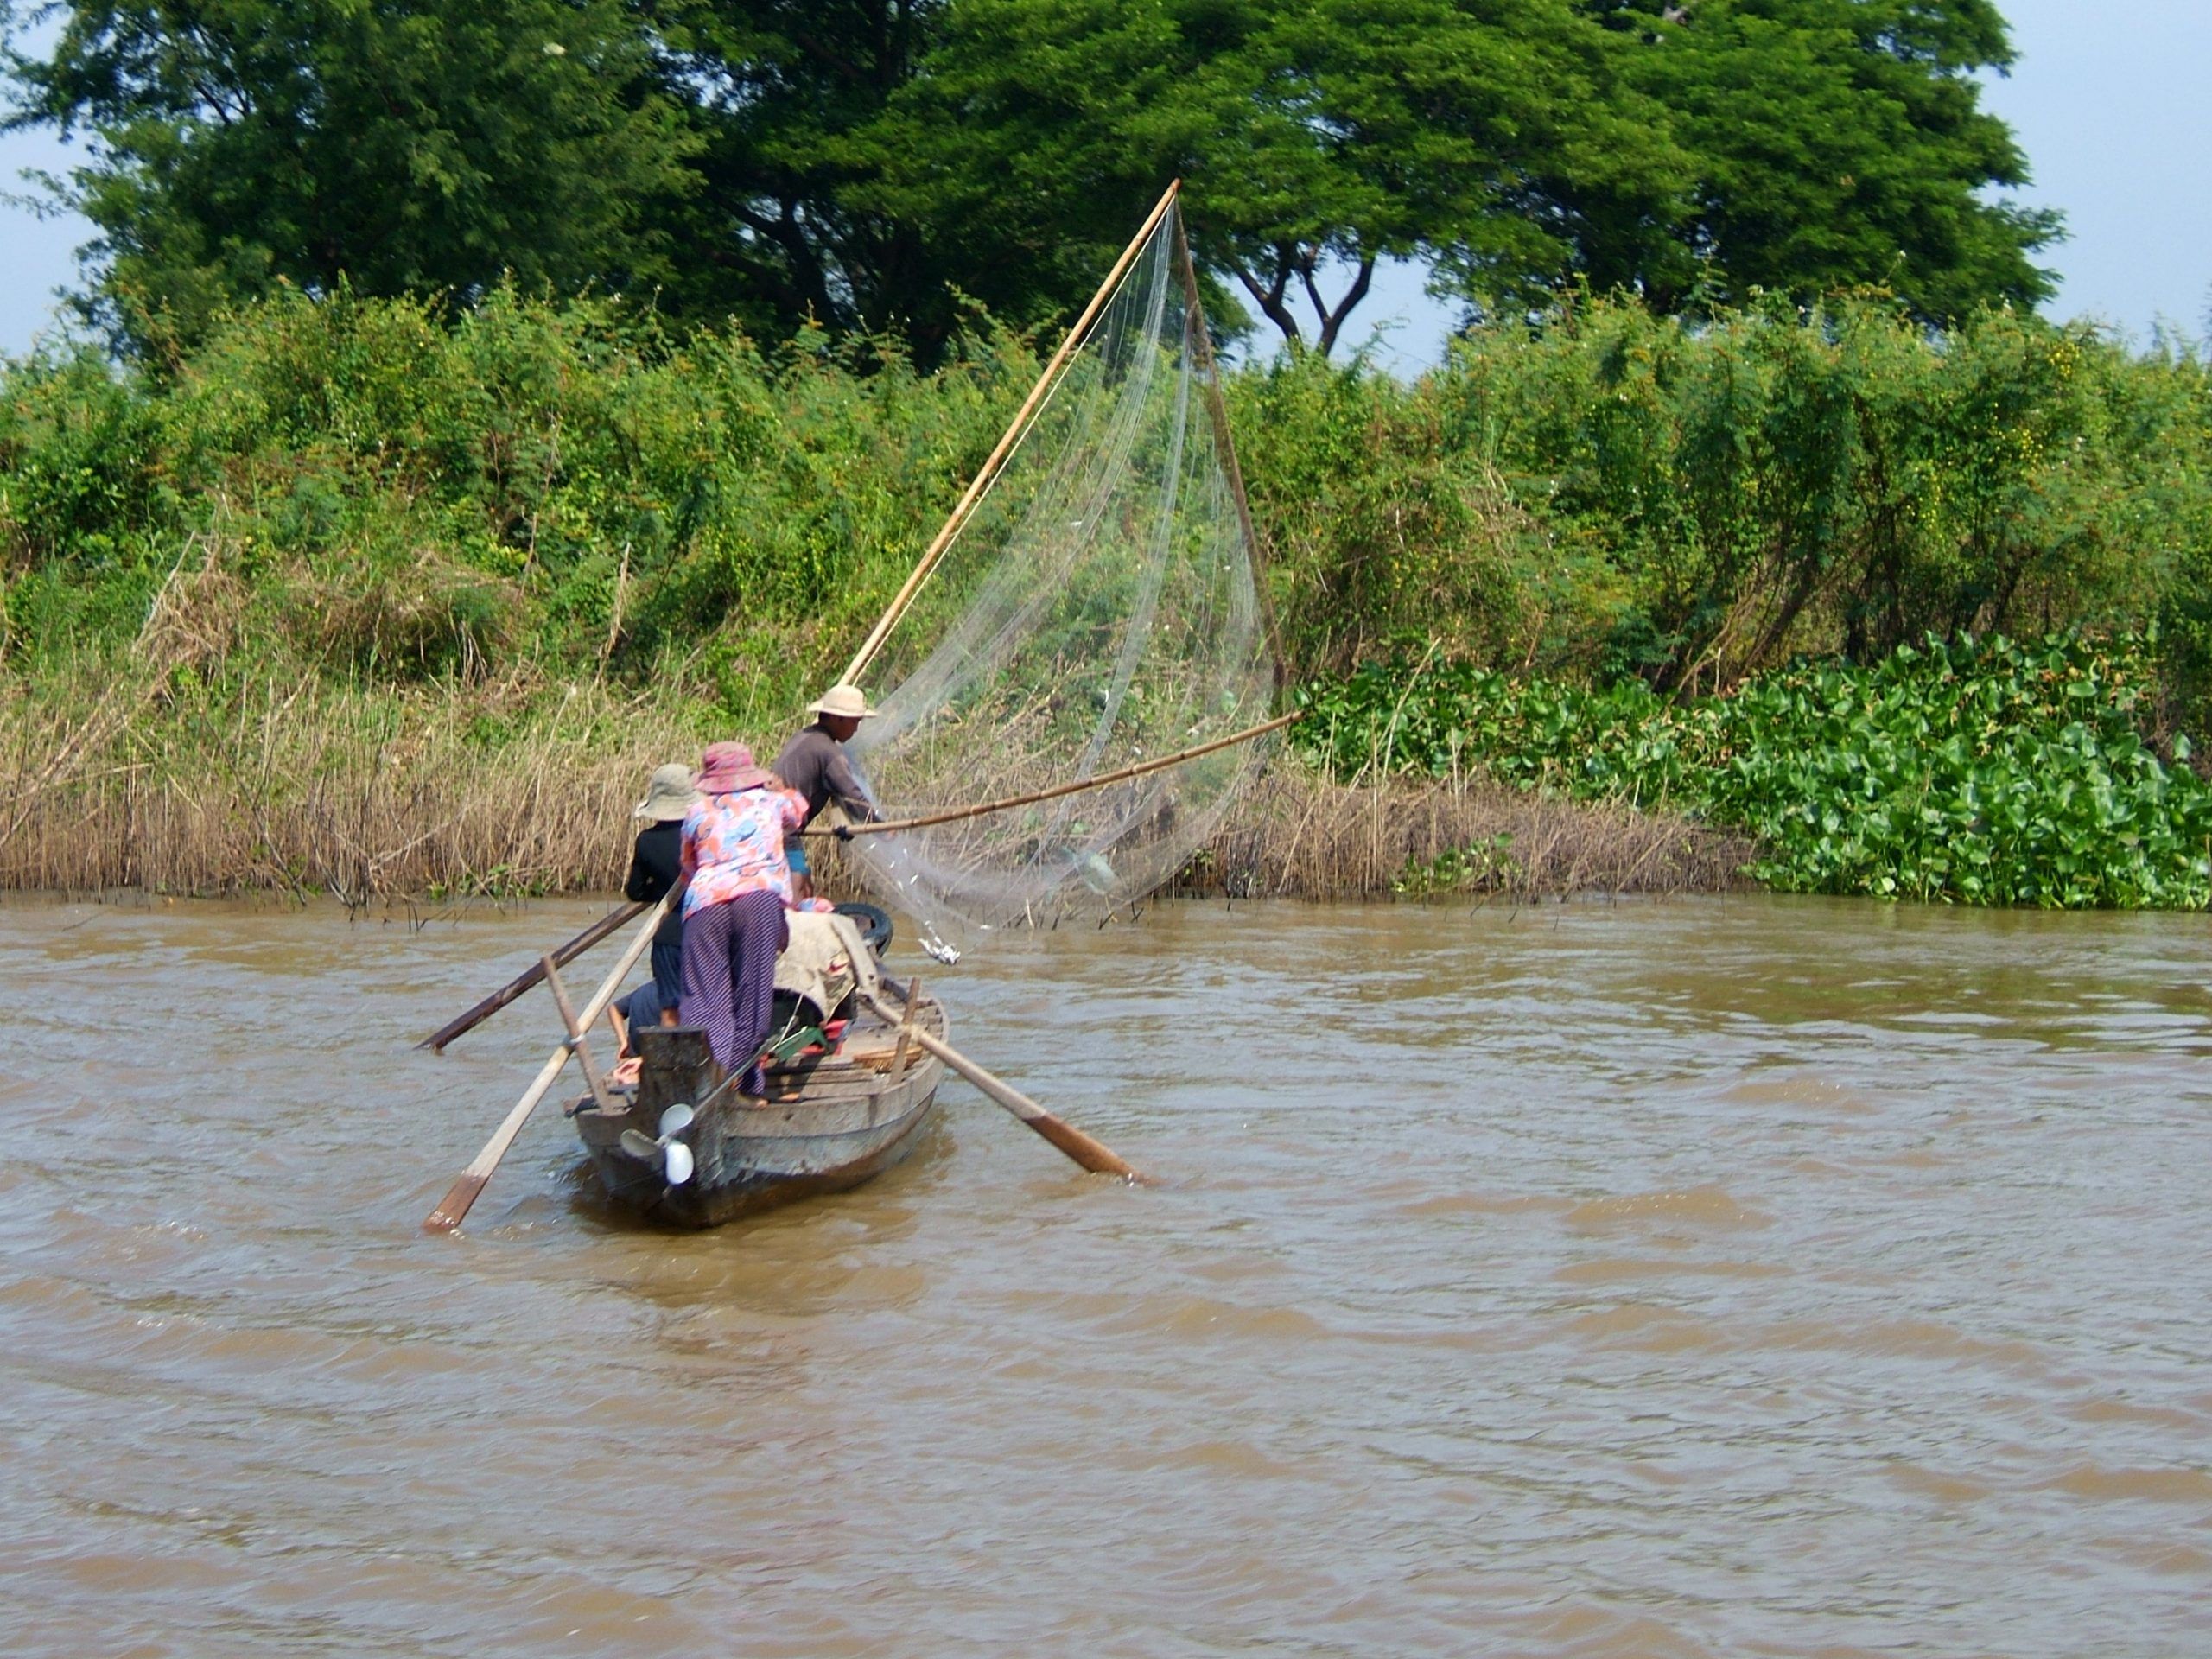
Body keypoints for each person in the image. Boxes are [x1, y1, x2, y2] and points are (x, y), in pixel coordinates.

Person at [678, 741, 808, 1098]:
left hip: (705, 904)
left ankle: (708, 1082)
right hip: (758, 901)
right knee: (752, 993)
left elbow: (688, 868)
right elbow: (799, 812)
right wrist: (781, 789)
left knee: (704, 996)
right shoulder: (773, 803)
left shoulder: (696, 812)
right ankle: (742, 1083)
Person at [772, 682, 880, 899]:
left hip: (773, 823)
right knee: (798, 891)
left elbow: (835, 792)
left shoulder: (804, 736)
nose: (856, 729)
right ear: (837, 718)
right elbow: (852, 796)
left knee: (806, 886)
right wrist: (881, 826)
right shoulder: (828, 752)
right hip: (781, 828)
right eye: (854, 722)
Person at [624, 762, 696, 1025]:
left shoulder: (646, 841)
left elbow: (635, 890)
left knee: (670, 1008)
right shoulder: (700, 832)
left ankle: (674, 1062)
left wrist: (660, 889)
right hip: (704, 924)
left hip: (668, 933)